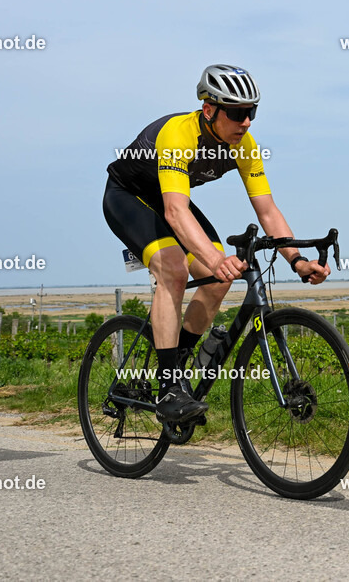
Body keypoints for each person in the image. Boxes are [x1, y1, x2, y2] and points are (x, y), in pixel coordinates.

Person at [103, 64, 329, 422]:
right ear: (209, 110)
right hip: (128, 197)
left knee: (219, 280)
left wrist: (297, 260)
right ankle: (169, 389)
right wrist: (215, 258)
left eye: (251, 112)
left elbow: (267, 211)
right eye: (237, 113)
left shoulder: (244, 146)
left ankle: (176, 364)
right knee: (174, 270)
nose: (247, 122)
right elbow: (176, 212)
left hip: (167, 198)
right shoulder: (179, 134)